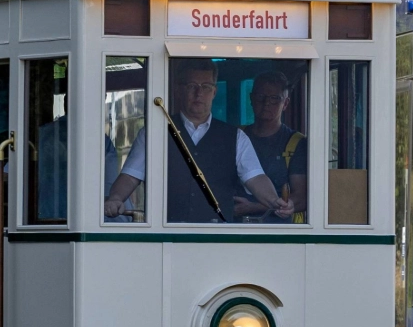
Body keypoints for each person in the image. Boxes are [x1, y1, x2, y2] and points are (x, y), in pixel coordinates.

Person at [105, 59, 294, 223]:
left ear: (214, 91)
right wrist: (115, 198)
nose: (198, 93)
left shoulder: (235, 136)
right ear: (179, 90)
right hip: (165, 236)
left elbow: (255, 177)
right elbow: (130, 176)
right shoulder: (154, 133)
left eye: (205, 87)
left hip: (217, 238)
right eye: (191, 86)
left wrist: (274, 201)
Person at [239, 72, 307, 223]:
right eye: (261, 96)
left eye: (275, 98)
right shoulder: (237, 137)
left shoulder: (297, 143)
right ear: (251, 98)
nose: (266, 103)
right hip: (234, 227)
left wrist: (253, 207)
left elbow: (301, 198)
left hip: (279, 229)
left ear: (286, 103)